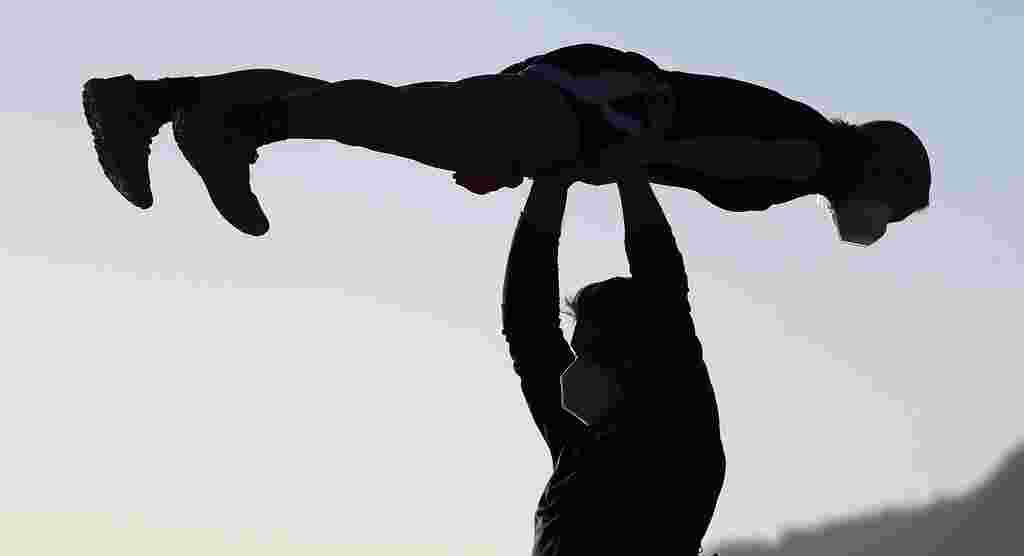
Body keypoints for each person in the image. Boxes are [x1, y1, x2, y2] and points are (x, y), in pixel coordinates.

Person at [83, 43, 929, 244]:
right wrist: (560, 165)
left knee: (387, 115)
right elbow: (675, 148)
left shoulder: (806, 139)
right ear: (881, 173)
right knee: (387, 117)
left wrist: (540, 153)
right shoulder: (807, 161)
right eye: (897, 209)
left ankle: (212, 122)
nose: (883, 226)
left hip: (586, 100)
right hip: (591, 115)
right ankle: (165, 108)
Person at [502, 157, 725, 556]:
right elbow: (528, 328)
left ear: (635, 365)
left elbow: (669, 302)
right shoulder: (577, 450)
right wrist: (548, 182)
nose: (568, 365)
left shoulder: (682, 455)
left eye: (586, 353)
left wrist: (630, 172)